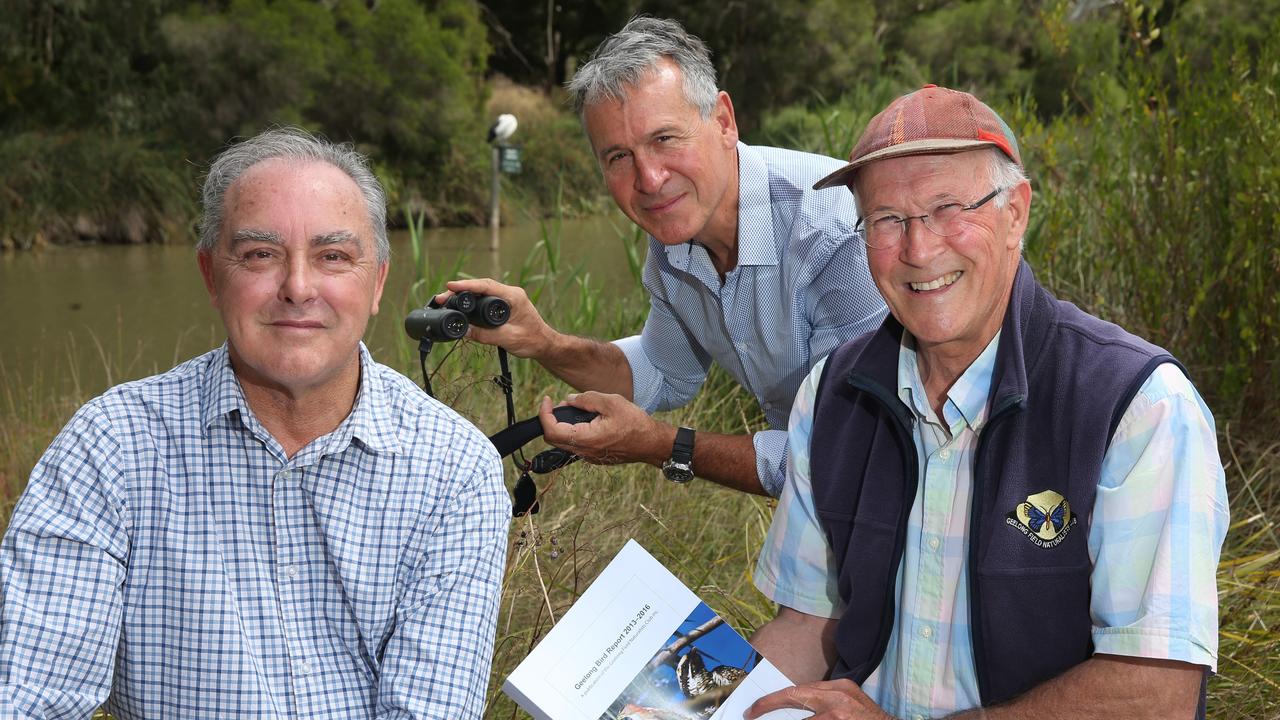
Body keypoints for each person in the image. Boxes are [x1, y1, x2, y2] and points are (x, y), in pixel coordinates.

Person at [746, 85, 1229, 719]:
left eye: (949, 207)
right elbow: (809, 623)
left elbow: (1155, 695)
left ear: (1017, 213)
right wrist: (700, 706)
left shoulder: (1138, 406)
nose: (919, 249)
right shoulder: (832, 393)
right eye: (887, 219)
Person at [0, 127, 510, 718]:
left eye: (333, 257)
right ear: (211, 276)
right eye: (260, 255)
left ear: (377, 284)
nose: (297, 288)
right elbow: (29, 693)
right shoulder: (111, 448)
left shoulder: (455, 469)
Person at [443, 17, 886, 498]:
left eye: (664, 139)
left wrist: (660, 445)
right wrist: (543, 341)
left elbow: (840, 453)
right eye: (618, 157)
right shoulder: (677, 232)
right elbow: (661, 370)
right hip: (827, 510)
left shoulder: (840, 230)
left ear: (723, 122)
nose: (650, 179)